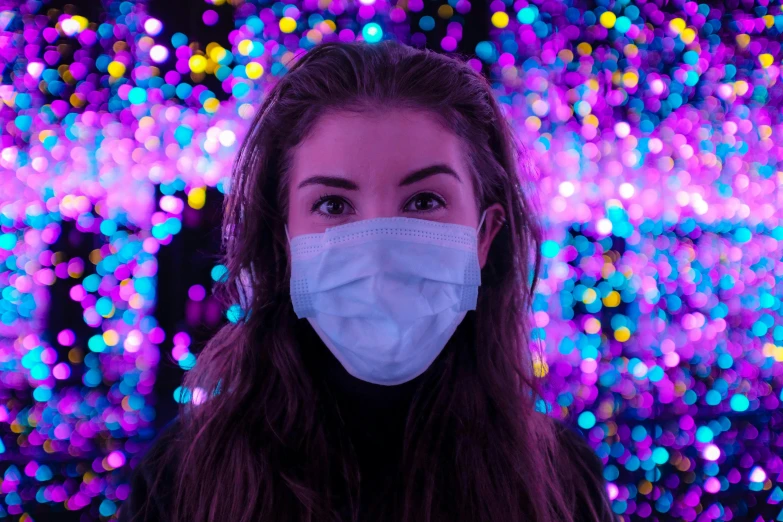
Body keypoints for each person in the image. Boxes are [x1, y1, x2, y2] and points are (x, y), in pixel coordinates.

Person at [119, 39, 615, 522]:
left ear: (484, 237)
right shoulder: (185, 475)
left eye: (424, 202)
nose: (378, 249)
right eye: (333, 205)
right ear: (283, 241)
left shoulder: (559, 480)